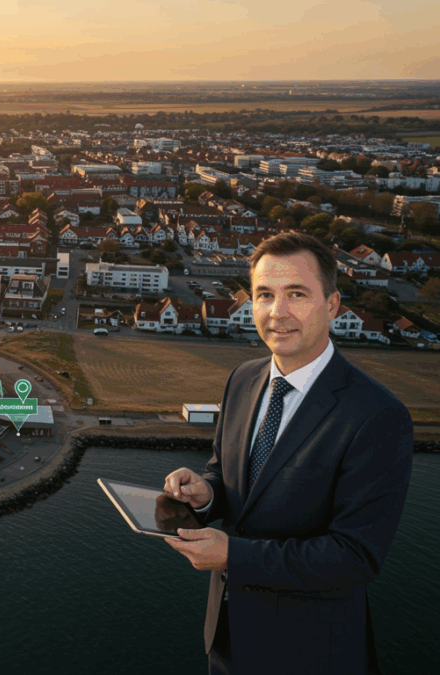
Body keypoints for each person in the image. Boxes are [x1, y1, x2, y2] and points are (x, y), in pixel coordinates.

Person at [163, 231, 413, 674]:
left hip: (311, 653)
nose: (277, 312)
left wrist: (233, 556)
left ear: (332, 305)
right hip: (225, 639)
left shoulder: (378, 416)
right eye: (264, 295)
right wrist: (206, 494)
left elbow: (356, 556)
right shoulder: (242, 379)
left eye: (296, 294)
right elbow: (229, 477)